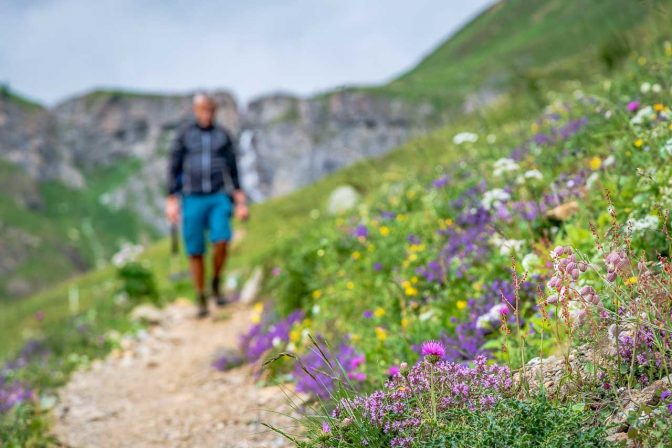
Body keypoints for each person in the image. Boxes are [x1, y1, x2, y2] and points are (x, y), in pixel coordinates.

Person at [166, 93, 249, 318]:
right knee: (195, 250)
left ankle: (215, 282)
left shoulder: (222, 135)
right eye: (202, 110)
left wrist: (240, 198)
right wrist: (171, 199)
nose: (206, 114)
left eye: (210, 110)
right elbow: (174, 165)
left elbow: (233, 168)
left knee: (222, 239)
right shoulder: (185, 135)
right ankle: (201, 294)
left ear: (214, 111)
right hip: (191, 197)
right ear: (196, 111)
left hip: (218, 195)